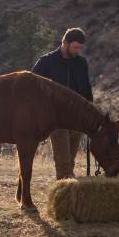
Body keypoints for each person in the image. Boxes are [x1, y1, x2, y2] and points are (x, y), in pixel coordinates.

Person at [32, 28, 94, 179]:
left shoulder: (81, 62)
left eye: (80, 48)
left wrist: (88, 114)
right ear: (64, 43)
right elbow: (31, 87)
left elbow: (86, 89)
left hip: (77, 119)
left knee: (70, 162)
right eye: (75, 47)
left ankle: (68, 193)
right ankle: (64, 194)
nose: (78, 51)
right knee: (63, 163)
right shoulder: (46, 62)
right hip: (57, 120)